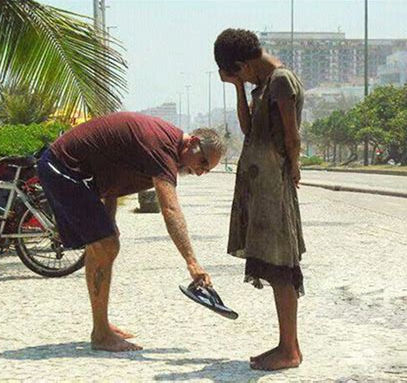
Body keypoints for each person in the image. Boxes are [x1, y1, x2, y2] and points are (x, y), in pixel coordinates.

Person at [37, 112, 225, 352]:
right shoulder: (163, 148)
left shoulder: (166, 145)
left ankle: (101, 325)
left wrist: (110, 218)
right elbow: (169, 208)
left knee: (105, 243)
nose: (200, 172)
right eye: (203, 163)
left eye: (206, 170)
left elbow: (112, 176)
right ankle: (101, 334)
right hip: (61, 167)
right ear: (193, 143)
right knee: (105, 245)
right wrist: (192, 262)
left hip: (74, 171)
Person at [214, 28, 306, 370]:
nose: (242, 78)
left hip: (274, 186)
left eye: (238, 73)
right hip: (262, 185)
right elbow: (249, 130)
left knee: (281, 267)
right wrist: (239, 87)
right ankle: (288, 345)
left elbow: (291, 135)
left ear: (241, 63)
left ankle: (289, 351)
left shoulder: (280, 80)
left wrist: (294, 167)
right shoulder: (262, 84)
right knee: (273, 263)